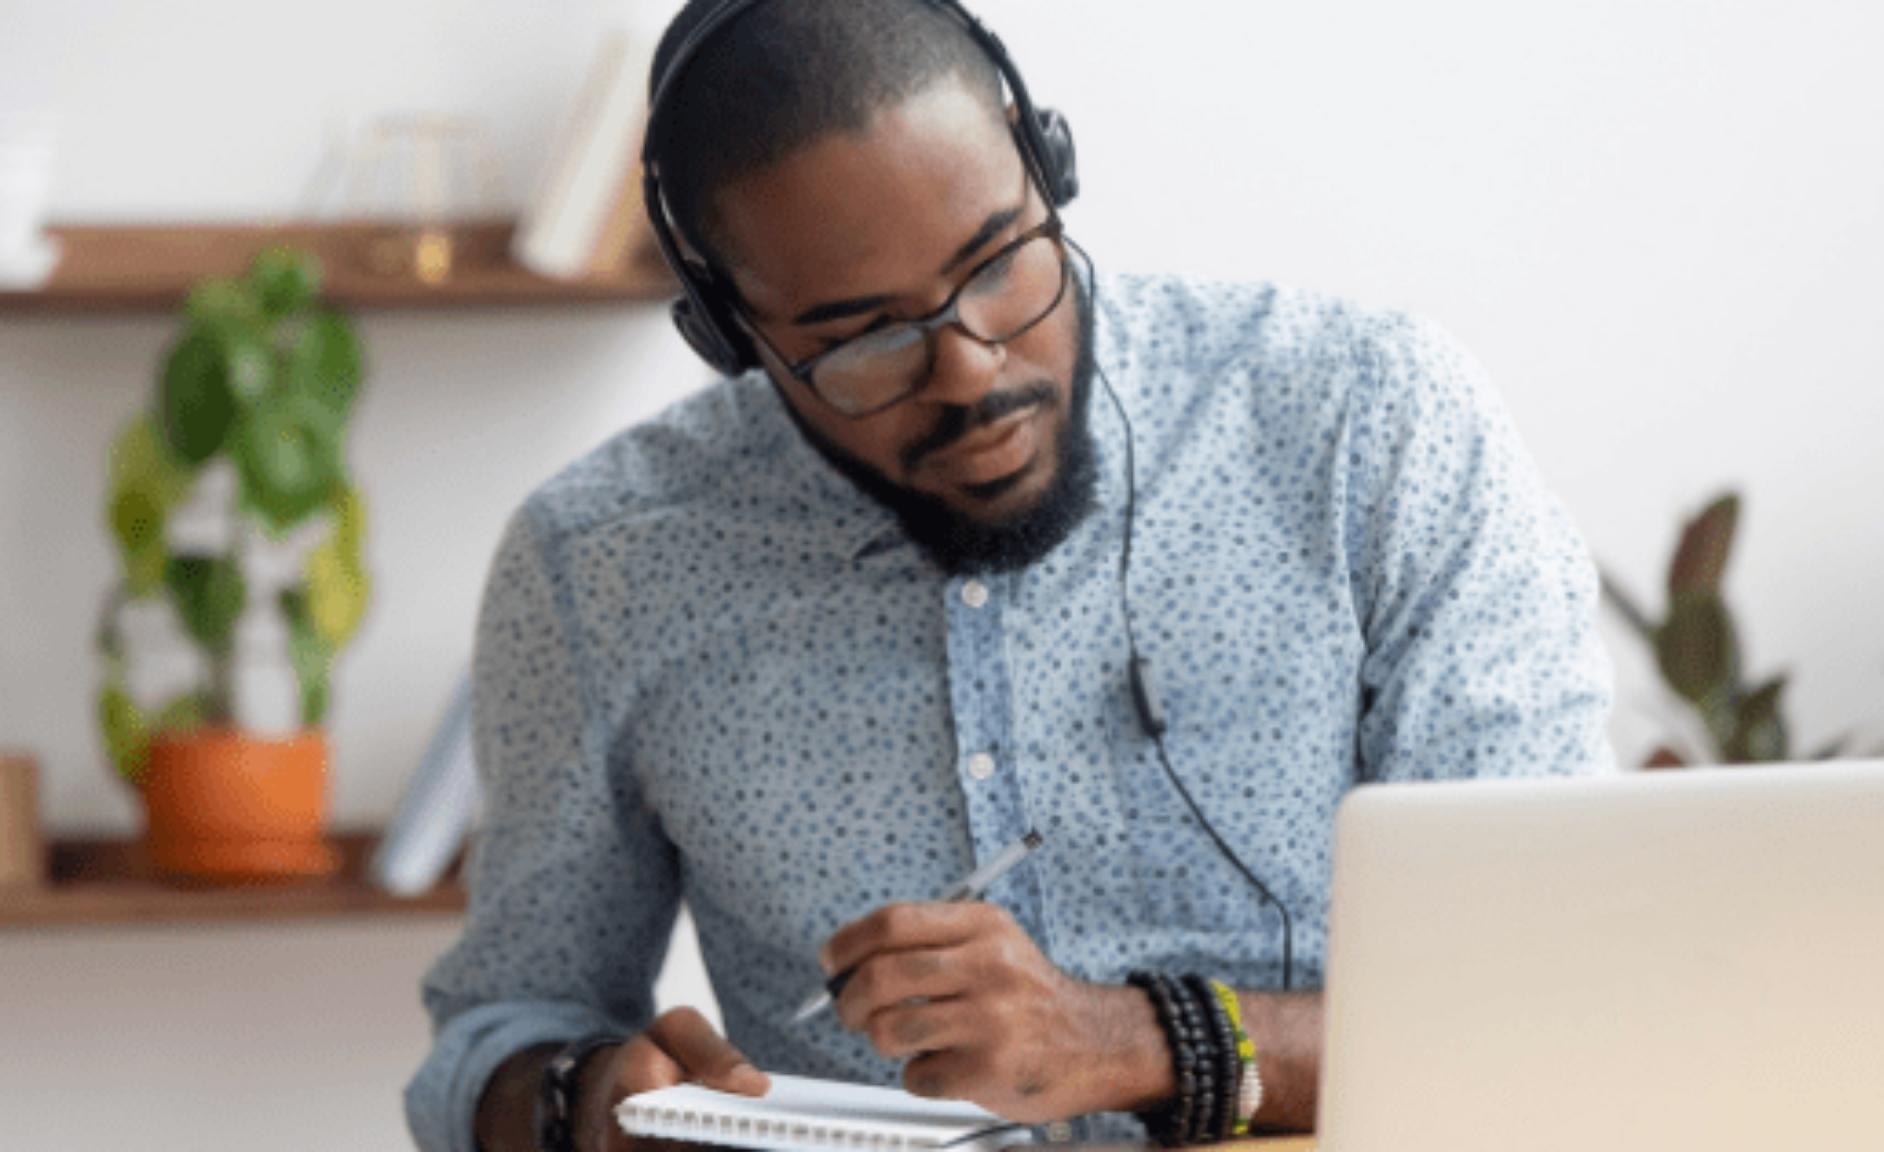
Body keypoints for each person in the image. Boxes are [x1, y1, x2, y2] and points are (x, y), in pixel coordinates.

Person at [405, 1, 1616, 1149]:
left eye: (998, 262)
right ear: (730, 335)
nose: (972, 372)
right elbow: (494, 1044)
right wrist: (585, 1104)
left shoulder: (1370, 426)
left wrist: (1143, 1042)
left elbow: (1557, 990)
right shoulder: (599, 564)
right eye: (862, 338)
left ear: (1047, 168)